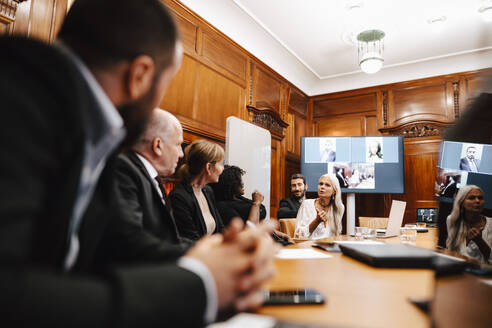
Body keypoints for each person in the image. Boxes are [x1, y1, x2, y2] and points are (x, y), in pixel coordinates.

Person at [0, 1, 278, 326]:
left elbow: (115, 242)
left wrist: (219, 259)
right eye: (166, 84)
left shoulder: (92, 134)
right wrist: (200, 285)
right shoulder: (15, 92)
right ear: (141, 74)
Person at [109, 108, 194, 264]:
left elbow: (166, 237)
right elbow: (129, 241)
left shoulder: (149, 176)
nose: (181, 154)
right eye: (178, 145)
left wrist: (208, 246)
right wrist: (197, 254)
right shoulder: (124, 170)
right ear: (158, 145)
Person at [170, 140, 226, 241]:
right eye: (220, 163)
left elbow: (220, 228)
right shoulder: (179, 197)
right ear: (208, 167)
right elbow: (190, 239)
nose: (222, 169)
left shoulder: (208, 191)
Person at [446, 186, 492, 264]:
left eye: (480, 198)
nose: (477, 201)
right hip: (457, 269)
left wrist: (480, 241)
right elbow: (453, 250)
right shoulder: (452, 220)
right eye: (471, 198)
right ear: (462, 202)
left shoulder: (490, 224)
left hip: (483, 273)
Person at [294, 174, 344, 239]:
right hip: (309, 246)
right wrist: (316, 221)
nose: (322, 187)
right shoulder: (307, 204)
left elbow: (336, 234)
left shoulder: (339, 208)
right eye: (321, 184)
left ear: (334, 191)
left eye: (327, 185)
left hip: (329, 246)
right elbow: (298, 235)